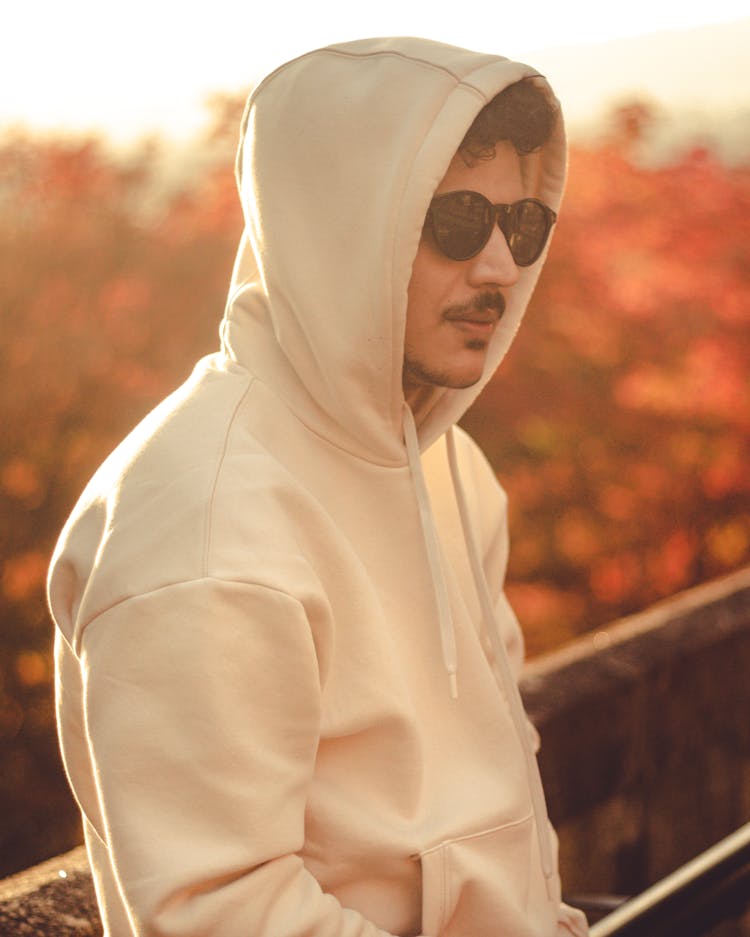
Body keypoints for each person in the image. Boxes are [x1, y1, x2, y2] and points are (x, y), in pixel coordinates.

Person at [48, 36, 589, 937]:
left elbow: (508, 812)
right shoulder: (205, 526)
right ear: (340, 221)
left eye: (523, 226)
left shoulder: (448, 464)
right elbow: (221, 911)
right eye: (456, 221)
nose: (500, 267)